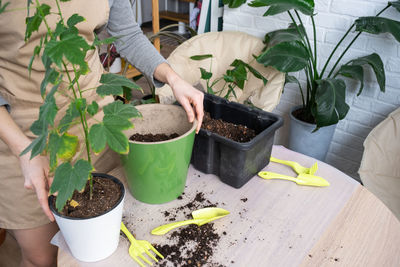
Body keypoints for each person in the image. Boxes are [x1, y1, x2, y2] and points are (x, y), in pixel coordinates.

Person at [0, 0, 204, 266]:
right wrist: (23, 149)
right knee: (44, 258)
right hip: (25, 134)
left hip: (95, 121)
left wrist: (173, 78)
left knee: (111, 244)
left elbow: (127, 35)